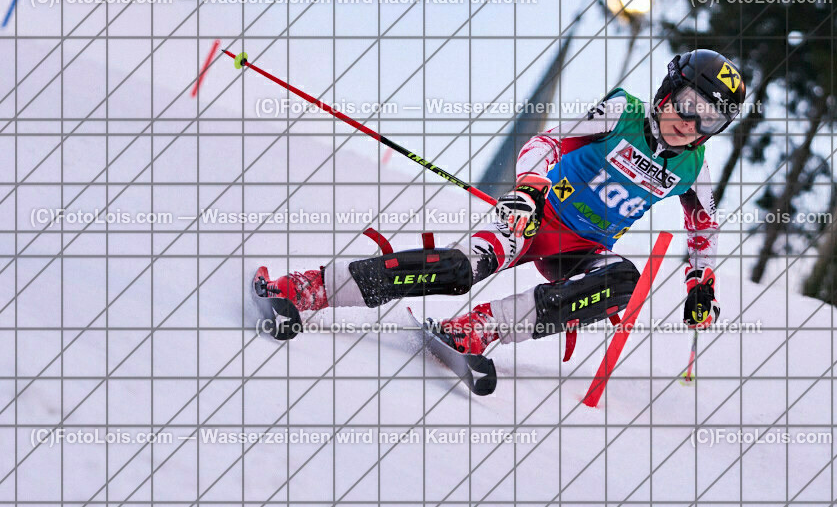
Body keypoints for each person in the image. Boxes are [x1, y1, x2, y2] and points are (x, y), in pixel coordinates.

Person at [253, 49, 746, 355]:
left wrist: (700, 283)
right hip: (534, 215)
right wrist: (528, 189)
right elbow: (549, 141)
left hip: (581, 249)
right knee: (458, 270)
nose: (691, 124)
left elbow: (704, 229)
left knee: (622, 282)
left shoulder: (694, 168)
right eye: (689, 105)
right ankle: (309, 288)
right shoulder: (623, 112)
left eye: (709, 120)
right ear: (667, 92)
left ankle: (480, 329)